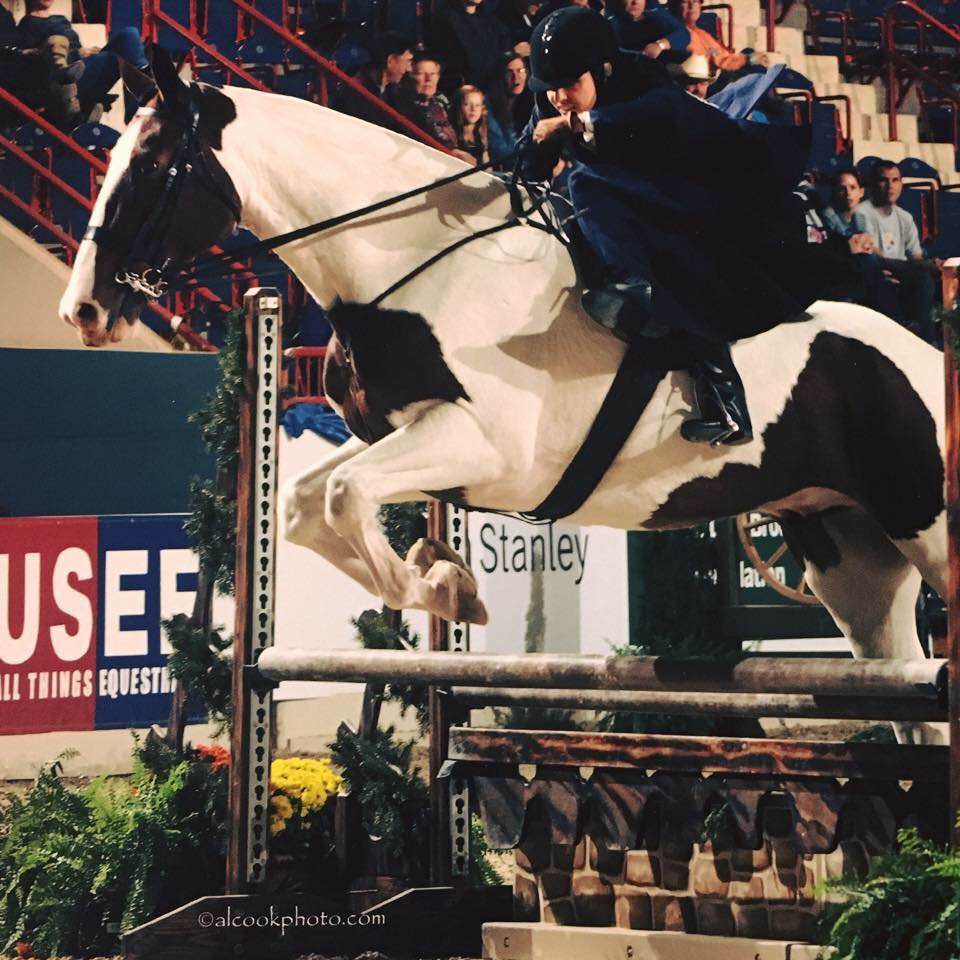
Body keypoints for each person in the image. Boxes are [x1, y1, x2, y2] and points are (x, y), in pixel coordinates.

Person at [521, 6, 855, 445]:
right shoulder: (554, 94)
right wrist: (527, 161)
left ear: (601, 70)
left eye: (570, 87)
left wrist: (575, 123)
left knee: (585, 185)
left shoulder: (640, 75)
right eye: (552, 91)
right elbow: (533, 157)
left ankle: (726, 400)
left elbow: (659, 115)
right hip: (622, 213)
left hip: (688, 203)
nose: (559, 98)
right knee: (572, 199)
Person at [852, 161, 941, 344]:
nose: (890, 186)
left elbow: (915, 256)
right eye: (884, 180)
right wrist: (921, 267)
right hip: (878, 270)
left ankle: (929, 340)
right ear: (873, 184)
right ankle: (921, 338)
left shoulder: (905, 217)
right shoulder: (862, 212)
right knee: (923, 277)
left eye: (895, 180)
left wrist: (932, 264)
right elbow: (874, 254)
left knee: (938, 275)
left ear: (901, 183)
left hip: (903, 273)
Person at [17, 0, 148, 120]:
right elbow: (37, 60)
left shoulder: (60, 19)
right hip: (62, 83)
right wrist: (76, 53)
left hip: (81, 68)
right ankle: (143, 110)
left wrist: (88, 52)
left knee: (129, 35)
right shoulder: (26, 24)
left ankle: (143, 105)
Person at [335, 32, 413, 128]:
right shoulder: (356, 91)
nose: (409, 69)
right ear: (391, 60)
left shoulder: (393, 92)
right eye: (407, 62)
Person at [433, 0, 513, 92]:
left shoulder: (490, 20)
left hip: (491, 87)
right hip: (466, 90)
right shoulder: (447, 19)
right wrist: (510, 53)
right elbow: (474, 59)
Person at [668, 0, 767, 73]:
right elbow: (720, 62)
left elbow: (721, 55)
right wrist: (749, 59)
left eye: (696, 1)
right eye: (685, 2)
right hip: (705, 80)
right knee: (757, 70)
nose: (692, 6)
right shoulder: (678, 34)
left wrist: (748, 57)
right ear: (673, 6)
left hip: (722, 66)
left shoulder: (701, 33)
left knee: (749, 52)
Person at [606, 0, 689, 59]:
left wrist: (660, 45)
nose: (635, 2)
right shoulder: (608, 15)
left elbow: (683, 33)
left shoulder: (652, 7)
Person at [452, 84, 490, 163]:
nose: (473, 109)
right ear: (458, 106)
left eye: (477, 105)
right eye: (467, 104)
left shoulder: (482, 132)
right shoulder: (451, 132)